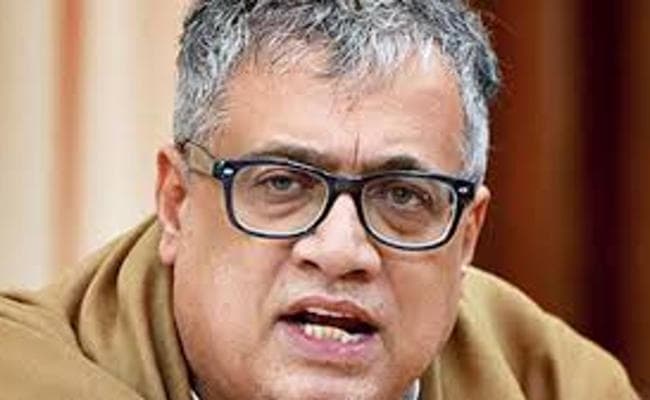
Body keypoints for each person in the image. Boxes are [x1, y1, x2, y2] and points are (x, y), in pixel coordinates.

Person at [0, 1, 640, 399]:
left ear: (467, 236)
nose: (341, 252)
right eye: (283, 183)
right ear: (176, 203)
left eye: (402, 195)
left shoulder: (560, 384)